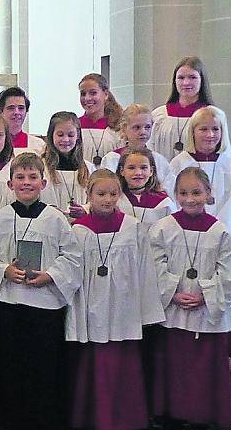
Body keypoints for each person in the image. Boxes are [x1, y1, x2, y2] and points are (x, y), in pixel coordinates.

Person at [0, 152, 82, 430]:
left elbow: (72, 257)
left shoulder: (56, 219)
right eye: (20, 177)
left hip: (45, 307)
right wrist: (4, 270)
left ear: (43, 183)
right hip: (10, 305)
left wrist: (50, 275)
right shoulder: (0, 218)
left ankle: (42, 421)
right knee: (10, 366)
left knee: (43, 368)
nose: (26, 182)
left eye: (33, 177)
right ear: (10, 184)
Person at [66, 169, 164, 430]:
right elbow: (72, 274)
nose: (107, 199)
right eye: (101, 194)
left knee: (123, 364)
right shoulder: (79, 231)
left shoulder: (132, 228)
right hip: (91, 307)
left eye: (113, 193)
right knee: (95, 363)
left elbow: (145, 270)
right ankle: (93, 418)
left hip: (124, 308)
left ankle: (125, 419)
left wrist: (145, 312)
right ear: (89, 195)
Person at [149, 167, 231, 429]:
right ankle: (170, 412)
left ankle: (203, 414)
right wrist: (172, 293)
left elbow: (230, 272)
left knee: (203, 369)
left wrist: (204, 296)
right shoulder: (163, 229)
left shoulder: (222, 232)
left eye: (197, 193)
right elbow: (154, 265)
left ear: (209, 193)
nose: (190, 199)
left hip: (205, 314)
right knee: (174, 366)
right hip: (173, 310)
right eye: (184, 193)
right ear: (175, 194)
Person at [164, 106, 231, 255]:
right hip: (185, 236)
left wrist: (215, 230)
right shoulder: (179, 164)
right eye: (203, 129)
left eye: (215, 129)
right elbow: (172, 201)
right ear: (192, 132)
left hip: (221, 238)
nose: (210, 135)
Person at [151, 57, 215, 161]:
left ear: (202, 80)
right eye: (181, 78)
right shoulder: (159, 115)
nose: (186, 83)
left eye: (192, 77)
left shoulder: (212, 116)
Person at [40, 111, 94, 222]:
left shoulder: (89, 168)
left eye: (70, 135)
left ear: (78, 136)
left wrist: (85, 209)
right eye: (60, 135)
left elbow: (96, 198)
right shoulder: (40, 167)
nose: (65, 140)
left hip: (80, 226)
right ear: (51, 135)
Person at [99, 103, 170, 181]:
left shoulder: (159, 160)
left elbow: (167, 185)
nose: (143, 132)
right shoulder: (113, 159)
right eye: (137, 127)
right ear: (124, 129)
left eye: (147, 127)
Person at [115, 149, 175, 226]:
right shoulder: (115, 200)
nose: (138, 173)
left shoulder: (164, 203)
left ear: (151, 171)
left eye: (143, 168)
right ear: (122, 171)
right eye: (131, 168)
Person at [77, 73, 123, 166]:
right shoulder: (75, 126)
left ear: (105, 94)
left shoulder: (118, 127)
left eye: (93, 93)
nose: (87, 98)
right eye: (83, 94)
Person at [0, 86, 45, 155]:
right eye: (11, 108)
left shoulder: (39, 146)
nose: (16, 112)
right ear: (0, 111)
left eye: (21, 108)